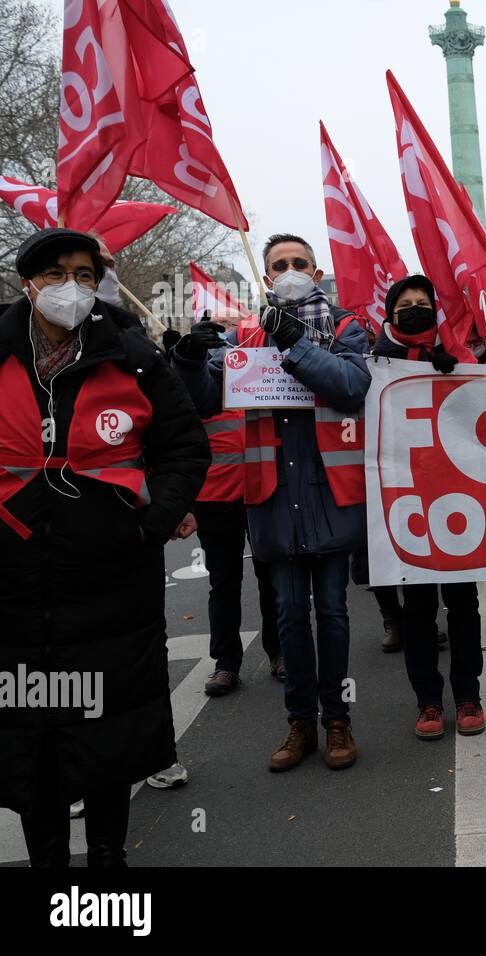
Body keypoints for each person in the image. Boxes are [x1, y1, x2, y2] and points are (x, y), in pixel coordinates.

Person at [0, 228, 210, 866]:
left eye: (86, 275)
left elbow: (184, 448)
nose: (73, 287)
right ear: (27, 281)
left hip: (114, 588)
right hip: (13, 591)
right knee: (30, 740)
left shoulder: (133, 354)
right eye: (59, 273)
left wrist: (149, 525)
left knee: (110, 736)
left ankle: (108, 867)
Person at [172, 234, 371, 770]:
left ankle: (337, 721)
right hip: (271, 495)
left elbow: (352, 386)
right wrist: (190, 362)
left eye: (298, 263)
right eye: (279, 265)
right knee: (287, 614)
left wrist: (295, 344)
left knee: (331, 612)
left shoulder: (346, 327)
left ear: (317, 270)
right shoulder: (243, 336)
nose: (289, 271)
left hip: (331, 494)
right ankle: (299, 722)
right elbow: (205, 399)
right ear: (265, 278)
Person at [373, 275, 486, 735]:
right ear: (391, 314)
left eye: (424, 303)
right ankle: (427, 701)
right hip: (409, 503)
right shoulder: (376, 364)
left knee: (463, 604)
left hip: (460, 500)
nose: (416, 309)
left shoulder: (456, 357)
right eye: (407, 304)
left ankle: (468, 695)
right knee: (418, 607)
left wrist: (460, 375)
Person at [179, 308, 284, 694]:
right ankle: (226, 664)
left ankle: (280, 653)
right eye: (219, 335)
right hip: (215, 500)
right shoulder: (198, 382)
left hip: (263, 493)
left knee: (273, 581)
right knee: (224, 584)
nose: (227, 345)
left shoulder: (266, 375)